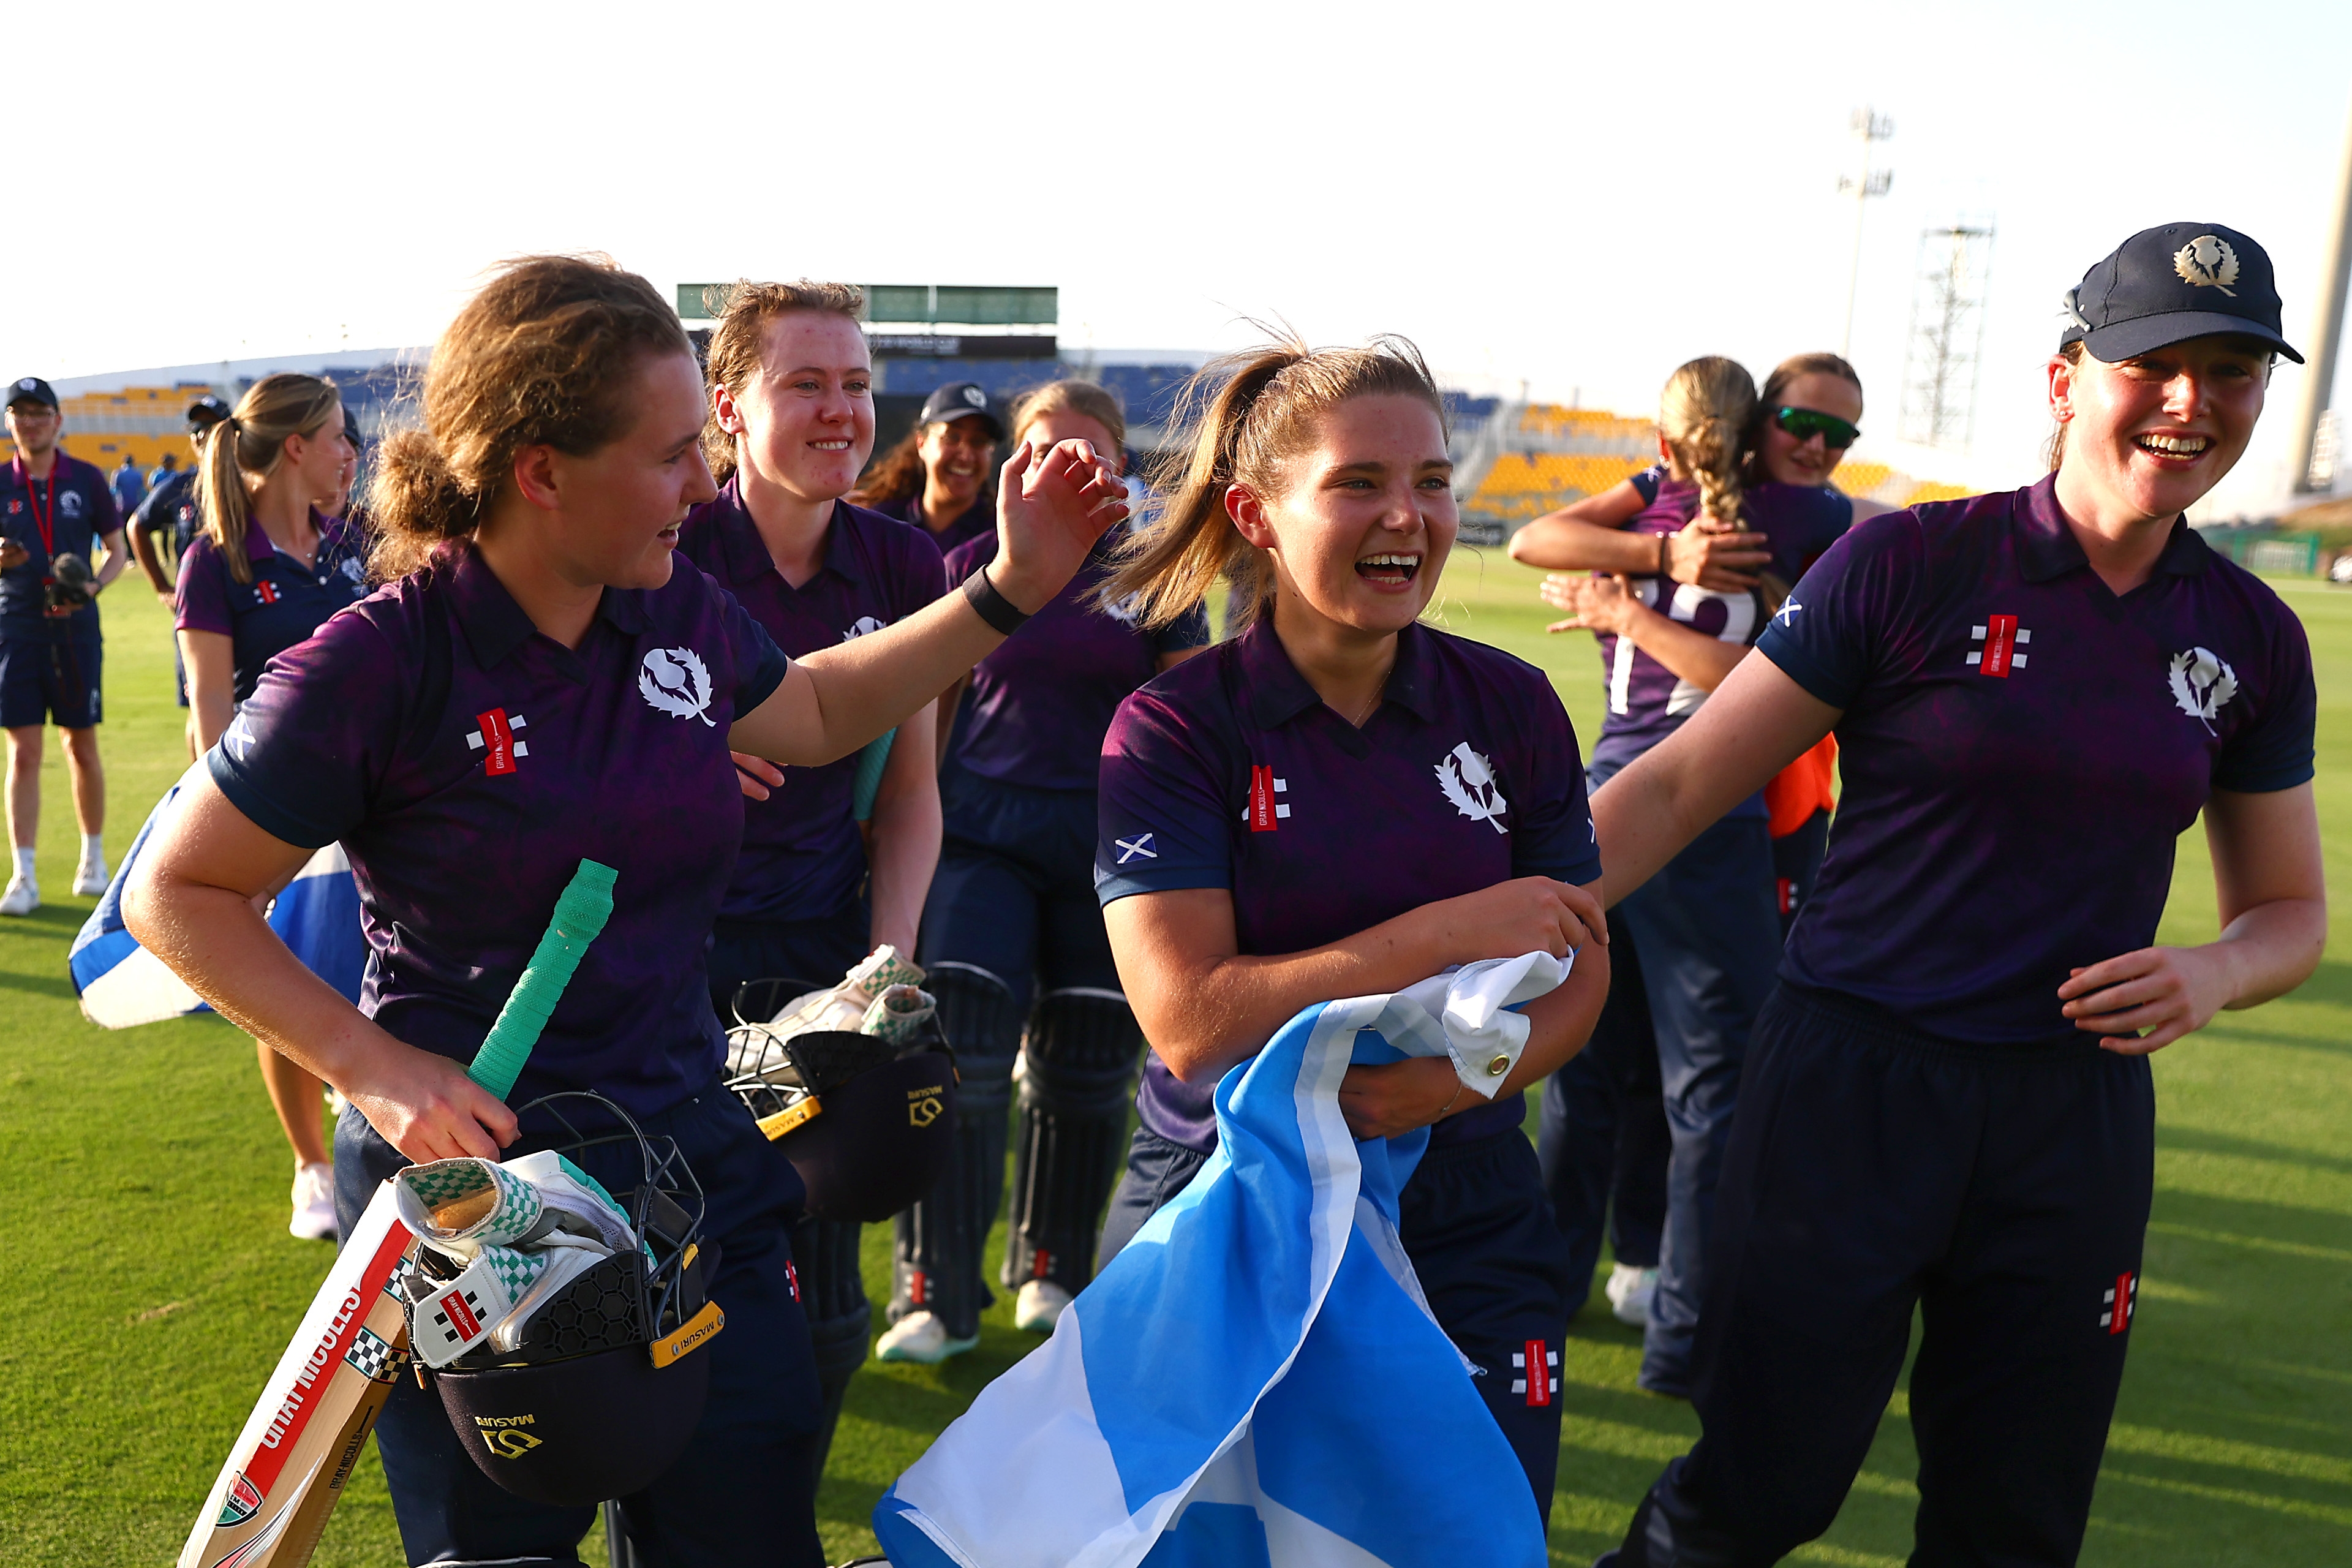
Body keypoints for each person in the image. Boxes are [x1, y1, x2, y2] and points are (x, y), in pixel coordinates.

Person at [122, 255, 1126, 1566]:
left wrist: (1009, 588)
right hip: (488, 1202)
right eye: (669, 458)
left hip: (688, 1157)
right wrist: (376, 1070)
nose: (703, 487)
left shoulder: (673, 611)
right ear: (541, 470)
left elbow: (820, 709)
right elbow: (175, 891)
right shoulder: (380, 661)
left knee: (748, 1538)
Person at [1586, 222, 2324, 1568]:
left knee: (2015, 1524)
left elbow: (2287, 910)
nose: (2191, 401)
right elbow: (1683, 783)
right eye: (2157, 361)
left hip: (2073, 1112)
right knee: (1760, 1489)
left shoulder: (2252, 636)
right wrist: (1499, 928)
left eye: (2231, 371)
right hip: (1850, 1087)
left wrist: (2213, 971)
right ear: (2066, 382)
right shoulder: (1913, 564)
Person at [1090, 334, 1612, 1525]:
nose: (1409, 515)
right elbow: (1188, 1020)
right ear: (1255, 514)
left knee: (1475, 1537)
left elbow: (1582, 969)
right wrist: (1443, 929)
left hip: (1465, 1196)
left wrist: (1457, 1080)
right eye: (1360, 483)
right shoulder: (1172, 727)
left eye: (1431, 480)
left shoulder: (1513, 702)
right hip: (1227, 1193)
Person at [1509, 360, 1850, 1390]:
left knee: (1588, 1077)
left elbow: (1536, 540)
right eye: (1802, 422)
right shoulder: (1802, 513)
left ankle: (1547, 1296)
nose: (1823, 448)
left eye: (1841, 433)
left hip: (1606, 800)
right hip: (1708, 817)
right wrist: (1659, 559)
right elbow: (1770, 687)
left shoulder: (1676, 494)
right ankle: (1685, 1339)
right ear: (1754, 427)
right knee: (1711, 1094)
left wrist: (1628, 597)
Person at [675, 278, 948, 1478]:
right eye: (806, 384)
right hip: (661, 967)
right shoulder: (669, 544)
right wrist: (677, 765)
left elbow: (909, 794)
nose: (841, 410)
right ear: (728, 406)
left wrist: (882, 965)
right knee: (668, 1266)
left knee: (826, 1280)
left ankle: (775, 1497)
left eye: (856, 384)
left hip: (820, 959)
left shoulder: (903, 558)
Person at [879, 380, 1210, 1365]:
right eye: (1043, 449)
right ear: (1015, 467)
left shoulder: (1155, 573)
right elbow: (927, 711)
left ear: (1121, 465)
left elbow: (1182, 707)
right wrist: (909, 831)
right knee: (965, 1060)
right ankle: (935, 1293)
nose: (1066, 467)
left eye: (1088, 450)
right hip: (982, 833)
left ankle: (1052, 1271)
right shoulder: (974, 563)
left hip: (1109, 847)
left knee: (1087, 1067)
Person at [177, 373, 367, 1240]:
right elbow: (209, 712)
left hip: (377, 805)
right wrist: (235, 840)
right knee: (289, 985)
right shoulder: (215, 561)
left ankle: (367, 1129)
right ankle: (312, 1167)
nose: (348, 455)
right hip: (280, 811)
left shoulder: (354, 541)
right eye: (336, 438)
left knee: (382, 976)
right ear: (296, 446)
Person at [1, 376, 129, 915]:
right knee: (24, 753)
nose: (29, 421)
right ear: (11, 423)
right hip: (17, 630)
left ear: (57, 420)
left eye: (38, 412)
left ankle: (93, 862)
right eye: (19, 413)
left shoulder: (88, 478)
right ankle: (23, 876)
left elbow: (118, 549)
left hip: (75, 629)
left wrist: (94, 587)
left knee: (81, 747)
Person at [130, 394, 234, 758]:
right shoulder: (178, 487)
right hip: (198, 616)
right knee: (201, 709)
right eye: (196, 429)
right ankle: (202, 794)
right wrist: (161, 586)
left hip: (248, 607)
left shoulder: (251, 485)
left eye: (212, 426)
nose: (203, 435)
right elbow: (137, 527)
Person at [853, 380, 1003, 551]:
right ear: (921, 443)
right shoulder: (880, 527)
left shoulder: (1003, 537)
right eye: (952, 437)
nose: (966, 456)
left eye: (979, 441)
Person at [111, 453, 146, 519]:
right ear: (133, 462)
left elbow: (113, 490)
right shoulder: (139, 474)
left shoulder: (118, 474)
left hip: (122, 505)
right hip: (136, 505)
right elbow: (142, 492)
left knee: (123, 525)